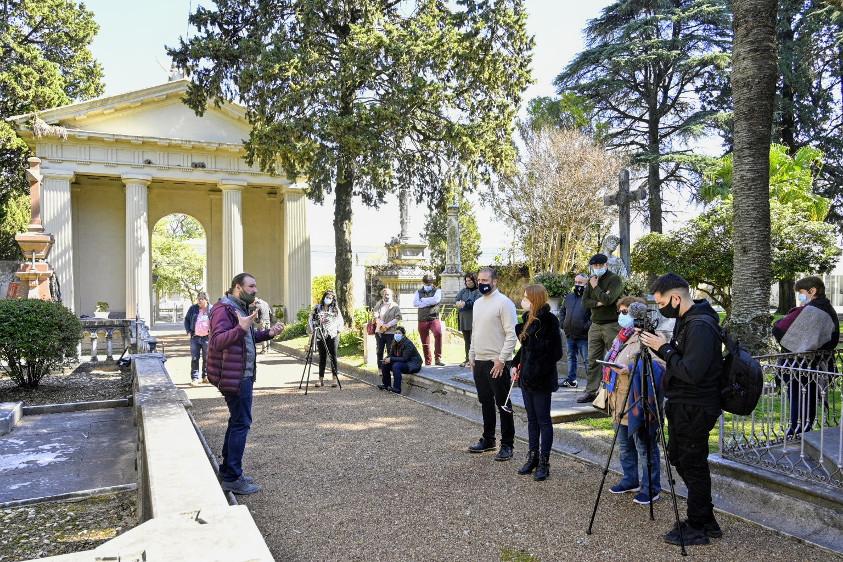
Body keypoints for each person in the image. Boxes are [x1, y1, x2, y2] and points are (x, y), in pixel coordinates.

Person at [639, 273, 723, 546]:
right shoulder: (687, 321)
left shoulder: (700, 325)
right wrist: (666, 349)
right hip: (684, 404)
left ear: (676, 298)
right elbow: (682, 360)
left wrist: (663, 348)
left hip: (695, 405)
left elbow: (691, 371)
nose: (660, 307)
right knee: (680, 457)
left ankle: (698, 525)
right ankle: (706, 517)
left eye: (661, 302)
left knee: (692, 463)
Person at [208, 273, 284, 495]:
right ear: (238, 288)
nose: (255, 290)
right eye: (251, 286)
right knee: (241, 423)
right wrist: (241, 328)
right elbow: (217, 341)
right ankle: (232, 477)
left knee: (237, 421)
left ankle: (229, 471)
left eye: (255, 285)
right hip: (235, 377)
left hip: (242, 374)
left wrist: (268, 333)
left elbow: (246, 339)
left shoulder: (239, 308)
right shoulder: (224, 310)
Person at [605, 296, 664, 505]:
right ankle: (630, 479)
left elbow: (660, 366)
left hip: (639, 402)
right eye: (619, 311)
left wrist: (630, 369)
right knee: (624, 445)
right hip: (619, 400)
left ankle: (651, 488)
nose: (621, 316)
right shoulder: (621, 338)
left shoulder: (651, 337)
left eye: (625, 312)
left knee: (645, 447)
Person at [772, 276, 840, 436]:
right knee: (807, 400)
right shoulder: (827, 309)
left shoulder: (814, 310)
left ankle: (796, 433)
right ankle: (804, 432)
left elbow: (780, 329)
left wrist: (782, 320)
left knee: (798, 400)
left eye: (801, 293)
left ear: (812, 291)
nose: (800, 297)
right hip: (813, 364)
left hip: (800, 364)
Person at [511, 284, 562, 481]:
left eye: (526, 297)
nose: (523, 300)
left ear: (535, 299)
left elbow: (555, 352)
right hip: (526, 379)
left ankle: (544, 462)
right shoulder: (526, 319)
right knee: (531, 420)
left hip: (541, 379)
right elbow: (524, 350)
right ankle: (532, 457)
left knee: (543, 420)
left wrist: (535, 362)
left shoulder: (549, 320)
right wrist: (516, 364)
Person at [468, 267, 518, 461]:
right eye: (479, 280)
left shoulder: (504, 303)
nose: (482, 283)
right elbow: (475, 331)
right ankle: (488, 439)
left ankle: (507, 444)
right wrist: (472, 355)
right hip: (479, 361)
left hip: (497, 362)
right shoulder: (478, 303)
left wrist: (501, 359)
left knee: (503, 403)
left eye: (485, 279)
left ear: (495, 281)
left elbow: (511, 334)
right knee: (485, 402)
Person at [578, 254, 624, 403]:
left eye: (600, 265)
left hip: (612, 324)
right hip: (595, 325)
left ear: (606, 265)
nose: (597, 268)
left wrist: (595, 288)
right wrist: (599, 302)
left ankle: (617, 390)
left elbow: (609, 300)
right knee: (592, 360)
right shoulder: (591, 280)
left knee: (615, 358)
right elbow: (585, 302)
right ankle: (591, 391)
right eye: (595, 266)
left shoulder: (614, 280)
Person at [558, 274, 591, 389]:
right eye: (576, 282)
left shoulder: (590, 298)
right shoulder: (569, 297)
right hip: (569, 334)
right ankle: (571, 381)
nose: (577, 284)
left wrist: (585, 327)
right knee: (571, 357)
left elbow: (593, 316)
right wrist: (562, 324)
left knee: (588, 360)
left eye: (580, 283)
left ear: (586, 284)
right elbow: (562, 311)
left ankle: (592, 386)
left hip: (583, 336)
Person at [308, 290, 345, 388]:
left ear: (333, 299)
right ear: (324, 297)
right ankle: (320, 379)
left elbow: (340, 321)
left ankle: (334, 378)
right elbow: (311, 319)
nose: (328, 299)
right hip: (320, 334)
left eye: (330, 298)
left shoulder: (335, 309)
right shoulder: (317, 308)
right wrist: (313, 330)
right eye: (327, 297)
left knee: (333, 356)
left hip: (333, 335)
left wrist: (338, 331)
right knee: (322, 357)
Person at [378, 326, 423, 394]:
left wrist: (391, 359)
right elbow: (391, 355)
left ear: (403, 335)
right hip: (402, 362)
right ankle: (386, 385)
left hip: (412, 364)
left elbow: (405, 358)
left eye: (399, 333)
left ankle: (397, 388)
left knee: (396, 366)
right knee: (385, 364)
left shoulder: (408, 343)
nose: (397, 335)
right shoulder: (394, 342)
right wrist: (386, 358)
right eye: (396, 333)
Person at [414, 273, 444, 366]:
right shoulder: (418, 292)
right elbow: (415, 303)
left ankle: (438, 358)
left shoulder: (437, 290)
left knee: (438, 334)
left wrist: (422, 300)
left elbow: (436, 300)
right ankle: (428, 361)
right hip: (422, 318)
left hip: (433, 317)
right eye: (426, 284)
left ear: (432, 282)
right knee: (425, 341)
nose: (428, 285)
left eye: (429, 283)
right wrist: (429, 301)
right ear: (423, 283)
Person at [184, 291, 212, 386]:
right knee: (195, 358)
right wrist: (188, 331)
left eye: (201, 299)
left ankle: (205, 376)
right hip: (195, 338)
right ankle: (195, 378)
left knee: (207, 358)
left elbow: (217, 322)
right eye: (198, 298)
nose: (199, 300)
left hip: (207, 338)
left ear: (206, 300)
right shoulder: (193, 308)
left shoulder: (211, 309)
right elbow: (187, 319)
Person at [455, 273, 481, 368]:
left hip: (474, 318)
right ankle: (467, 359)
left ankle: (476, 360)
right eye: (466, 281)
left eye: (470, 280)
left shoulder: (478, 292)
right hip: (464, 319)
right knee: (467, 340)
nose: (468, 282)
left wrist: (465, 304)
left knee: (474, 340)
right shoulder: (463, 291)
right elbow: (457, 299)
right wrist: (459, 303)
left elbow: (476, 303)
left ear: (474, 280)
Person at [373, 287, 402, 369]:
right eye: (385, 294)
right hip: (379, 331)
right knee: (379, 351)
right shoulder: (379, 304)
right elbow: (375, 316)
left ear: (391, 295)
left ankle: (390, 368)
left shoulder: (395, 306)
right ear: (382, 295)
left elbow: (398, 318)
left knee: (390, 350)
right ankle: (380, 368)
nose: (386, 296)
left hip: (391, 332)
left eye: (388, 294)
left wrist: (388, 325)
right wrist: (382, 324)